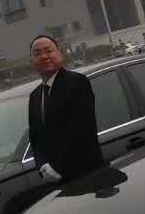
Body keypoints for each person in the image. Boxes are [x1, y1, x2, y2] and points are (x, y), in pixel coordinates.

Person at [27, 35, 103, 182]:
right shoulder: (35, 96)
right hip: (53, 179)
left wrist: (56, 166)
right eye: (37, 53)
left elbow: (80, 129)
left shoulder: (77, 83)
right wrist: (42, 166)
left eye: (48, 51)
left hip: (86, 175)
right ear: (32, 61)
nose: (44, 56)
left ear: (59, 53)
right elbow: (35, 138)